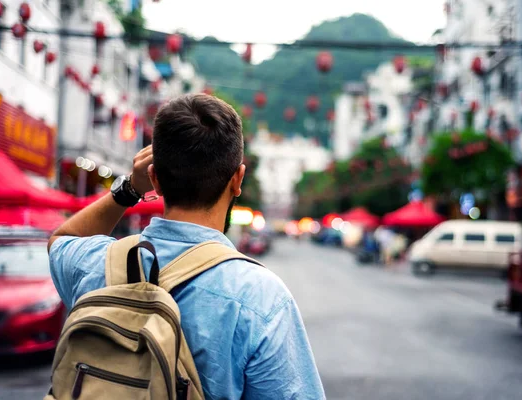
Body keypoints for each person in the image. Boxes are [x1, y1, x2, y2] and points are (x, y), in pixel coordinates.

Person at [48, 94, 325, 400]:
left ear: (154, 177)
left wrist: (129, 189)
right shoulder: (260, 298)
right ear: (237, 179)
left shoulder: (96, 262)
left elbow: (60, 239)